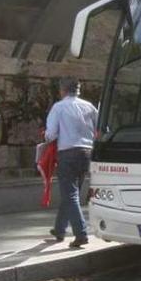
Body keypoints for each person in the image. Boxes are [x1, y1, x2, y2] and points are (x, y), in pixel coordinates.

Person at [45, 77, 98, 248]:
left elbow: (51, 134)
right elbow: (100, 128)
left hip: (68, 152)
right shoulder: (89, 106)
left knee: (70, 193)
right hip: (87, 152)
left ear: (62, 90)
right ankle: (60, 229)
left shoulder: (59, 107)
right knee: (71, 193)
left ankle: (81, 233)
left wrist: (46, 136)